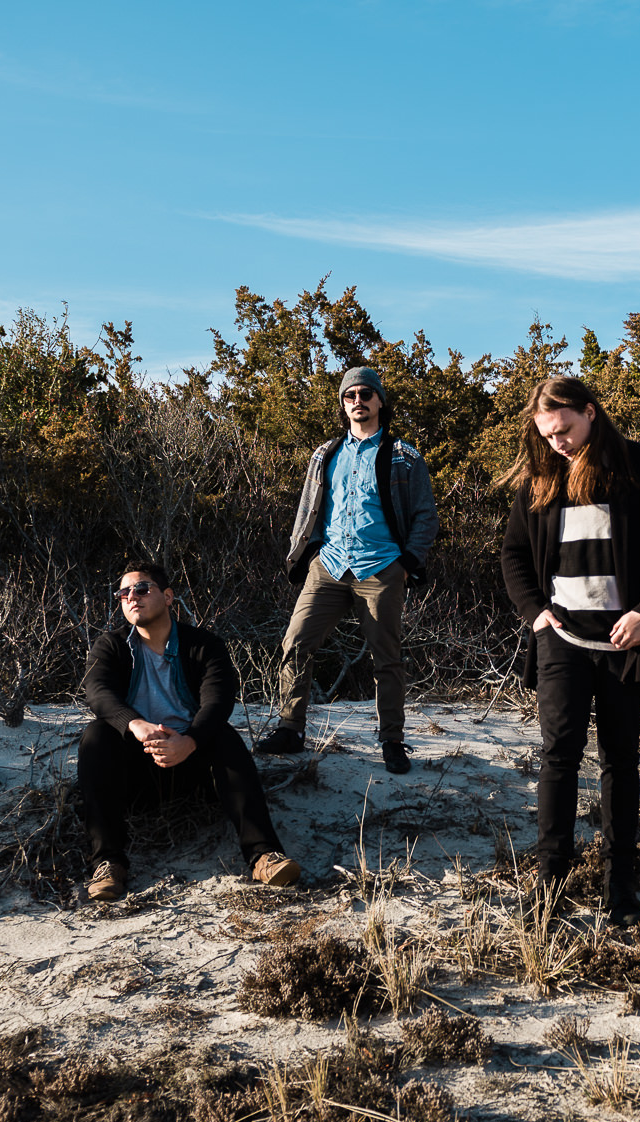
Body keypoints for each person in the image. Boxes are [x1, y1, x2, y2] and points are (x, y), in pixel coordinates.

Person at [501, 376, 640, 926]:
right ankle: (550, 884)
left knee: (620, 758)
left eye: (563, 430)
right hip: (559, 638)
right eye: (547, 434)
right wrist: (535, 613)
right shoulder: (540, 478)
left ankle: (619, 887)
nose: (557, 442)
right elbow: (514, 554)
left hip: (624, 641)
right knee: (558, 755)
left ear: (590, 413)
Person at [79, 561, 302, 902]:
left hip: (195, 765)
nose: (131, 597)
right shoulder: (110, 646)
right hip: (138, 769)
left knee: (224, 735)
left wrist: (190, 741)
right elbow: (97, 691)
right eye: (123, 593)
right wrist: (134, 724)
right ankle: (108, 862)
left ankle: (262, 855)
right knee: (96, 737)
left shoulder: (203, 645)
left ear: (168, 597)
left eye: (142, 589)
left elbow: (219, 699)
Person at [255, 367, 438, 774]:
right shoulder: (325, 453)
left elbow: (426, 516)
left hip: (381, 568)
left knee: (386, 657)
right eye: (350, 395)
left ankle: (392, 740)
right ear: (343, 403)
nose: (358, 400)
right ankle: (290, 728)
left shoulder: (405, 456)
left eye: (366, 394)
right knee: (295, 642)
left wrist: (406, 564)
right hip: (330, 565)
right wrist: (302, 554)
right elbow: (308, 507)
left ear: (380, 401)